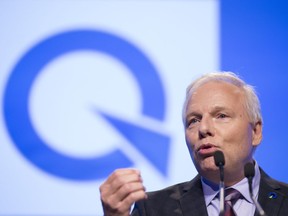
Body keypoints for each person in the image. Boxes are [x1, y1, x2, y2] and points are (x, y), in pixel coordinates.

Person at [100, 71, 288, 216]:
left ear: (255, 131)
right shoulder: (152, 209)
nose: (203, 128)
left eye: (221, 116)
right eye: (194, 120)